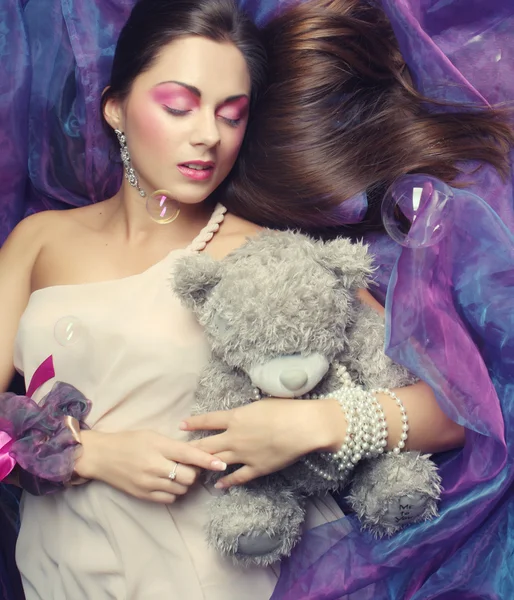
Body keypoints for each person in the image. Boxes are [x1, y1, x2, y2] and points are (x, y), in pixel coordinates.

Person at [0, 1, 511, 600]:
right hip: (65, 577)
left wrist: (315, 423)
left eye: (231, 115)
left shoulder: (271, 256)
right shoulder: (39, 240)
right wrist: (84, 453)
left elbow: (458, 413)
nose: (208, 135)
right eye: (178, 106)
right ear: (115, 107)